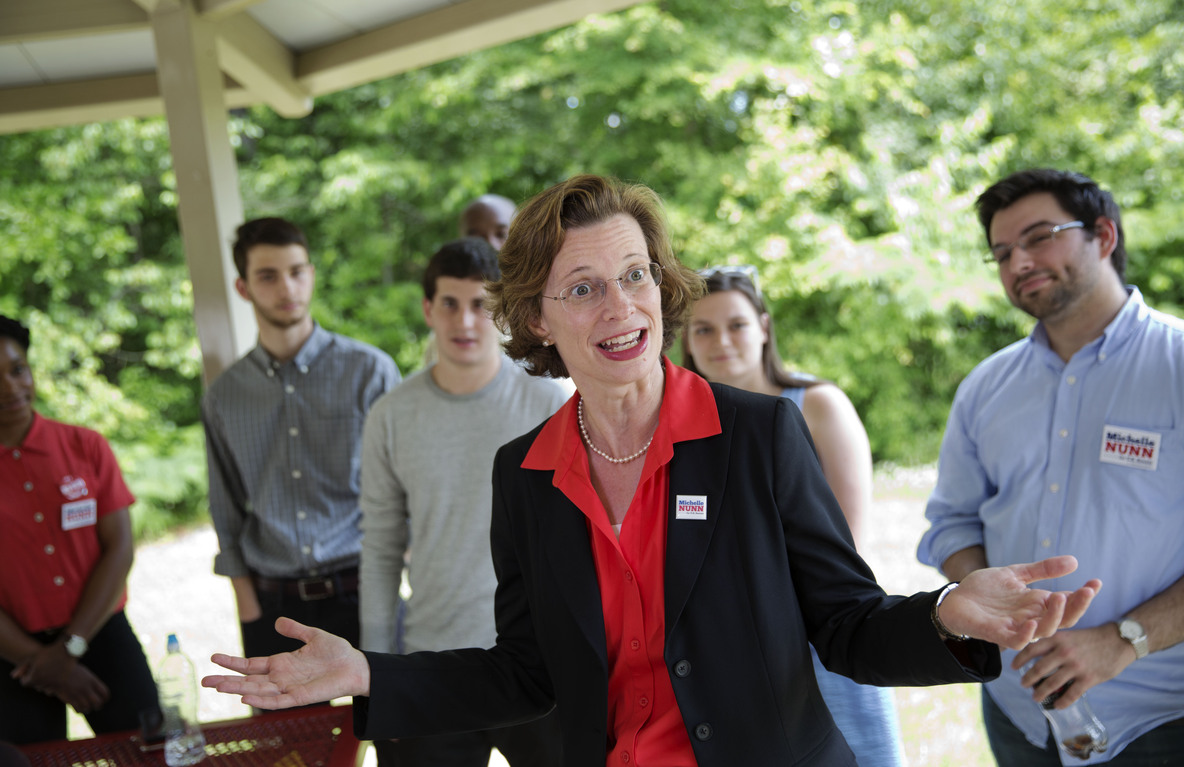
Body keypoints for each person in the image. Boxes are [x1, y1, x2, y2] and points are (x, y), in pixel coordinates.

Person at [204, 175, 1101, 767]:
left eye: (635, 274)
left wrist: (946, 613)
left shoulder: (758, 434)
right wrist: (373, 672)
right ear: (538, 319)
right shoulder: (525, 472)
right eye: (583, 286)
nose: (622, 306)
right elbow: (526, 671)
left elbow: (845, 624)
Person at [917, 168, 1184, 765]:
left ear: (1104, 236)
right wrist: (986, 597)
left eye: (1039, 237)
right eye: (1002, 253)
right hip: (1019, 711)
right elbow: (953, 523)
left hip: (1160, 716)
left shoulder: (1176, 365)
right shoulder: (986, 386)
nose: (1019, 262)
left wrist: (1123, 641)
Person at [681, 265, 906, 766]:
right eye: (704, 329)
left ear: (764, 327)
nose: (722, 341)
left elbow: (846, 545)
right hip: (726, 651)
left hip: (822, 637)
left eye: (737, 325)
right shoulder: (680, 431)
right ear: (687, 342)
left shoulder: (819, 405)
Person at [358, 237, 568, 766]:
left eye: (479, 304)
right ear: (428, 309)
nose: (465, 321)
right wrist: (377, 673)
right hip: (434, 658)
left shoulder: (551, 401)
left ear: (501, 311)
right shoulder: (391, 414)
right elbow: (381, 549)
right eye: (449, 304)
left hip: (539, 660)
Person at [201, 217, 401, 662]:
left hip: (365, 591)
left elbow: (406, 484)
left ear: (310, 274)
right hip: (272, 605)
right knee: (283, 714)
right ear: (243, 288)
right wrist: (247, 606)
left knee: (394, 711)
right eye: (267, 276)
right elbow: (224, 504)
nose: (286, 288)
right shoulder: (224, 395)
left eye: (296, 272)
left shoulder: (370, 372)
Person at [0, 312, 159, 744]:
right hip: (7, 654)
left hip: (100, 631)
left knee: (149, 751)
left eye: (17, 370)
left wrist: (69, 649)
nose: (10, 387)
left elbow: (120, 549)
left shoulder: (85, 446)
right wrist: (42, 661)